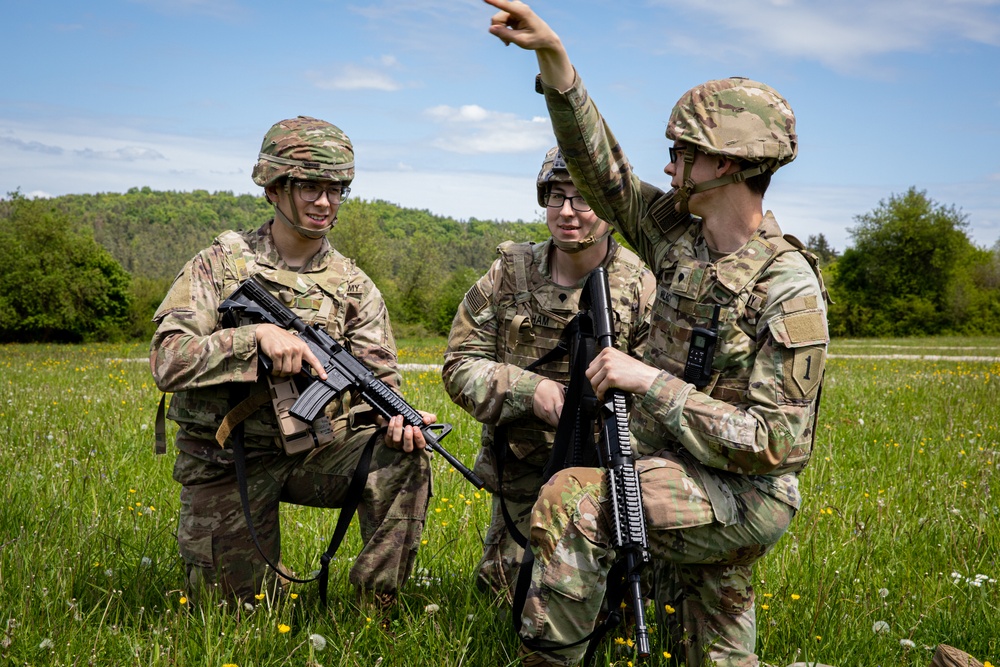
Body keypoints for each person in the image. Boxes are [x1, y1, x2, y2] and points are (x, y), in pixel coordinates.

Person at [483, 2, 830, 665]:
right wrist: (556, 64)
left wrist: (650, 382)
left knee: (573, 502)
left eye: (680, 152)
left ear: (724, 164)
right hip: (675, 465)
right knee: (708, 649)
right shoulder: (679, 234)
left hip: (745, 493)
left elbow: (776, 443)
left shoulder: (787, 288)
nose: (668, 166)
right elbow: (601, 172)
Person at [149, 116, 432, 611]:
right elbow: (167, 360)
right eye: (309, 187)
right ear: (275, 188)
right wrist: (253, 338)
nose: (325, 202)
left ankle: (375, 609)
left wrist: (399, 421)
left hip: (313, 453)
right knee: (234, 617)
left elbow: (379, 382)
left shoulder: (353, 286)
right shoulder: (219, 266)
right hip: (226, 460)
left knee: (407, 457)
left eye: (336, 189)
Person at [442, 146, 655, 602]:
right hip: (523, 473)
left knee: (604, 608)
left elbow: (667, 390)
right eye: (556, 197)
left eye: (583, 199)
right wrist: (529, 389)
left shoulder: (642, 286)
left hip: (609, 477)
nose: (567, 212)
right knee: (504, 602)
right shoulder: (508, 275)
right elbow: (459, 365)